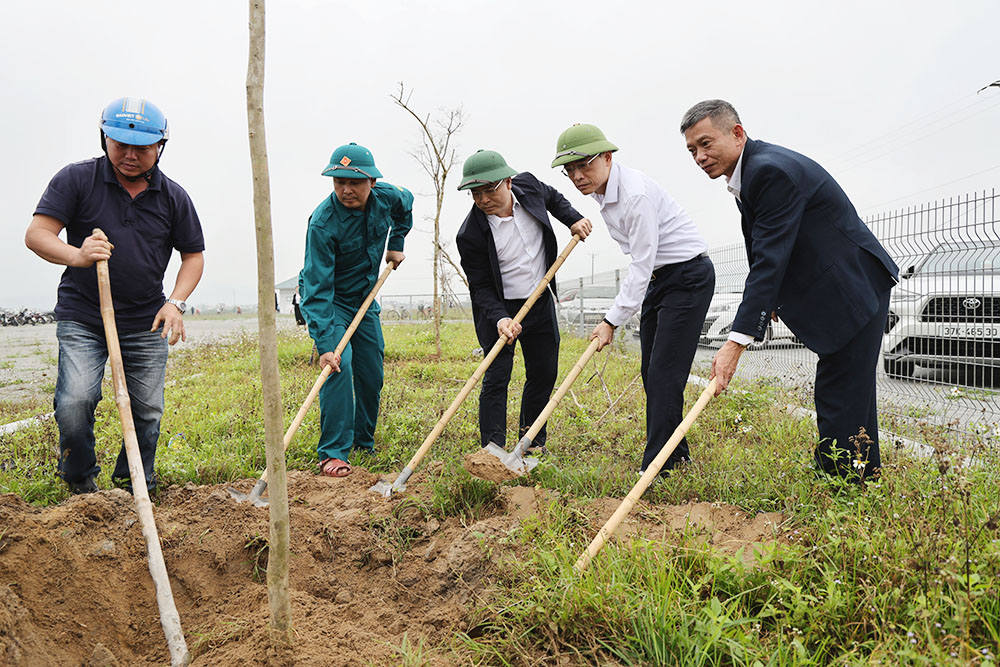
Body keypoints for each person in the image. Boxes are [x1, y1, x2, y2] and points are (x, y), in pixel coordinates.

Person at [680, 99, 899, 480]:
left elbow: (769, 259)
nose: (699, 157)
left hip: (852, 286)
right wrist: (775, 299)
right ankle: (862, 474)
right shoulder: (753, 171)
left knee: (840, 391)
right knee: (852, 393)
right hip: (849, 282)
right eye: (691, 150)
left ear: (737, 133)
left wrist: (736, 342)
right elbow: (777, 247)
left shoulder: (768, 172)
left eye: (705, 143)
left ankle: (843, 482)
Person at [24, 97, 205, 494]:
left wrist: (174, 303)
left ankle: (133, 484)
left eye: (141, 148)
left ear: (160, 146)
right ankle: (80, 484)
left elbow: (193, 256)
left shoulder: (173, 197)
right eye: (120, 144)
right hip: (83, 316)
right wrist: (79, 255)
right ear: (104, 137)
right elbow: (37, 235)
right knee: (74, 401)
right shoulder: (76, 179)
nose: (129, 155)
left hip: (145, 321)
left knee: (146, 410)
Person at [551, 124, 715, 475]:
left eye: (584, 166)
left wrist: (611, 320)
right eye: (570, 171)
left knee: (664, 373)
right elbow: (645, 267)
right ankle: (677, 452)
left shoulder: (634, 196)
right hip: (661, 279)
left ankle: (658, 465)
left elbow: (640, 263)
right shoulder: (603, 192)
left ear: (608, 158)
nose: (577, 176)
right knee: (651, 372)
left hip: (686, 278)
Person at [455, 150, 592, 453]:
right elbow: (480, 286)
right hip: (500, 310)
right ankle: (492, 450)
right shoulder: (469, 234)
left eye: (489, 190)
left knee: (543, 373)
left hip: (540, 300)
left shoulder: (529, 186)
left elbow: (554, 198)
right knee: (497, 376)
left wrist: (574, 219)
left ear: (508, 181)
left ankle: (531, 443)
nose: (482, 199)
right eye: (475, 193)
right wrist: (501, 318)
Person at [298, 142, 412, 477]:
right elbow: (317, 289)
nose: (346, 190)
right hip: (331, 300)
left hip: (364, 297)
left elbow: (406, 208)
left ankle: (364, 441)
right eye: (339, 182)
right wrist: (324, 346)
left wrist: (396, 243)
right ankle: (333, 452)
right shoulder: (323, 222)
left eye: (355, 182)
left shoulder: (389, 196)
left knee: (371, 368)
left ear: (372, 183)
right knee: (338, 365)